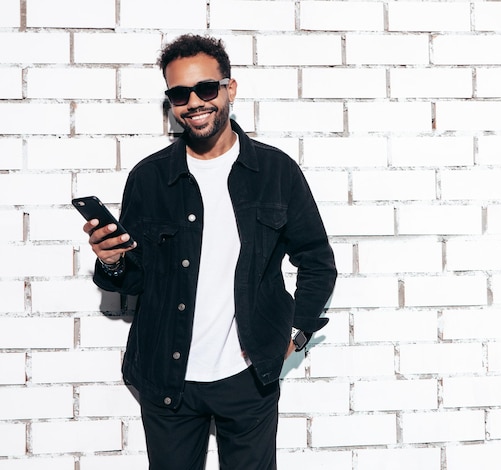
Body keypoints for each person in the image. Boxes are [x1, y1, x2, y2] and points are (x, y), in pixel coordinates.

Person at [82, 34, 337, 470]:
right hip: (167, 378)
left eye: (205, 89)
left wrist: (297, 332)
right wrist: (112, 261)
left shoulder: (275, 172)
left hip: (247, 377)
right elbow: (136, 278)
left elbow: (316, 259)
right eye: (179, 94)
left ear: (229, 89)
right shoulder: (149, 179)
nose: (194, 103)